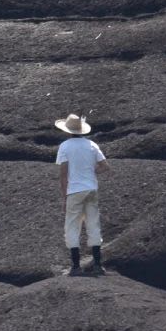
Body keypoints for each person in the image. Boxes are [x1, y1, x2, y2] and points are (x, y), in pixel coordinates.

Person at [54, 113, 107, 277]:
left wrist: (64, 197)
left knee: (72, 226)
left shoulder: (65, 146)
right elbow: (105, 166)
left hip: (75, 190)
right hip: (91, 189)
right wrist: (91, 173)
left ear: (68, 131)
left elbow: (63, 174)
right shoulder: (92, 144)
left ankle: (76, 266)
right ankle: (98, 264)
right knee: (93, 224)